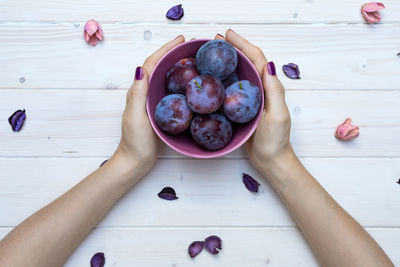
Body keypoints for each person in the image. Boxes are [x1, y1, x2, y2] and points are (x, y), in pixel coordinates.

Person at [0, 29, 394, 267]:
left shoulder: (206, 97)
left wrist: (129, 162)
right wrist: (279, 162)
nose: (199, 89)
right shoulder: (192, 100)